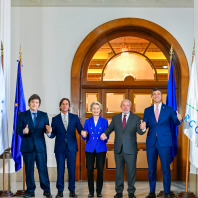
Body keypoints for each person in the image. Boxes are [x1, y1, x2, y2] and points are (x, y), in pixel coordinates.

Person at [140, 88, 183, 198]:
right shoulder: (147, 110)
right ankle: (151, 192)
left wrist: (180, 119)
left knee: (166, 169)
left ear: (161, 95)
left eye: (158, 94)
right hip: (151, 143)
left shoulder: (169, 109)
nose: (156, 96)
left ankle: (167, 193)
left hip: (164, 143)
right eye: (154, 94)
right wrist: (143, 128)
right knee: (151, 170)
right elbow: (145, 125)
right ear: (152, 96)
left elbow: (176, 122)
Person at [100, 99, 145, 198]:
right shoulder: (115, 117)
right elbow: (110, 128)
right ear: (120, 107)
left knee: (131, 171)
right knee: (119, 171)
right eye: (123, 105)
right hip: (118, 149)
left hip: (131, 149)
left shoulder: (136, 118)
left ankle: (131, 192)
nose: (125, 107)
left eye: (127, 105)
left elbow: (140, 132)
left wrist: (143, 128)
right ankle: (119, 192)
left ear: (130, 107)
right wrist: (104, 133)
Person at [46, 98, 86, 198]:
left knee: (72, 169)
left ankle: (72, 190)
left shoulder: (74, 117)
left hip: (71, 148)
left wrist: (83, 132)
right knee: (60, 169)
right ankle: (60, 191)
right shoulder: (55, 119)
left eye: (66, 104)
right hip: (59, 148)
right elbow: (52, 134)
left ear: (69, 106)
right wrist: (49, 132)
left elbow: (80, 128)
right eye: (63, 104)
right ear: (60, 106)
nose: (64, 106)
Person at [16, 94, 52, 198]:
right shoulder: (22, 115)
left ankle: (46, 190)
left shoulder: (44, 115)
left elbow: (46, 130)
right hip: (28, 147)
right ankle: (30, 191)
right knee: (29, 170)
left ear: (39, 104)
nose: (34, 104)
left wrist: (49, 131)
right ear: (29, 103)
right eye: (32, 102)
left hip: (40, 148)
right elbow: (18, 129)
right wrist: (23, 131)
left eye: (36, 102)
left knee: (43, 169)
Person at [82, 101, 108, 198]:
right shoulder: (87, 121)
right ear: (91, 110)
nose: (96, 110)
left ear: (100, 110)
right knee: (89, 170)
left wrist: (105, 137)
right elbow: (85, 134)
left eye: (97, 108)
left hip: (101, 148)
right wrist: (84, 135)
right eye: (94, 108)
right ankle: (91, 192)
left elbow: (107, 133)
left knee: (100, 170)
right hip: (89, 148)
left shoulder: (104, 121)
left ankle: (99, 192)